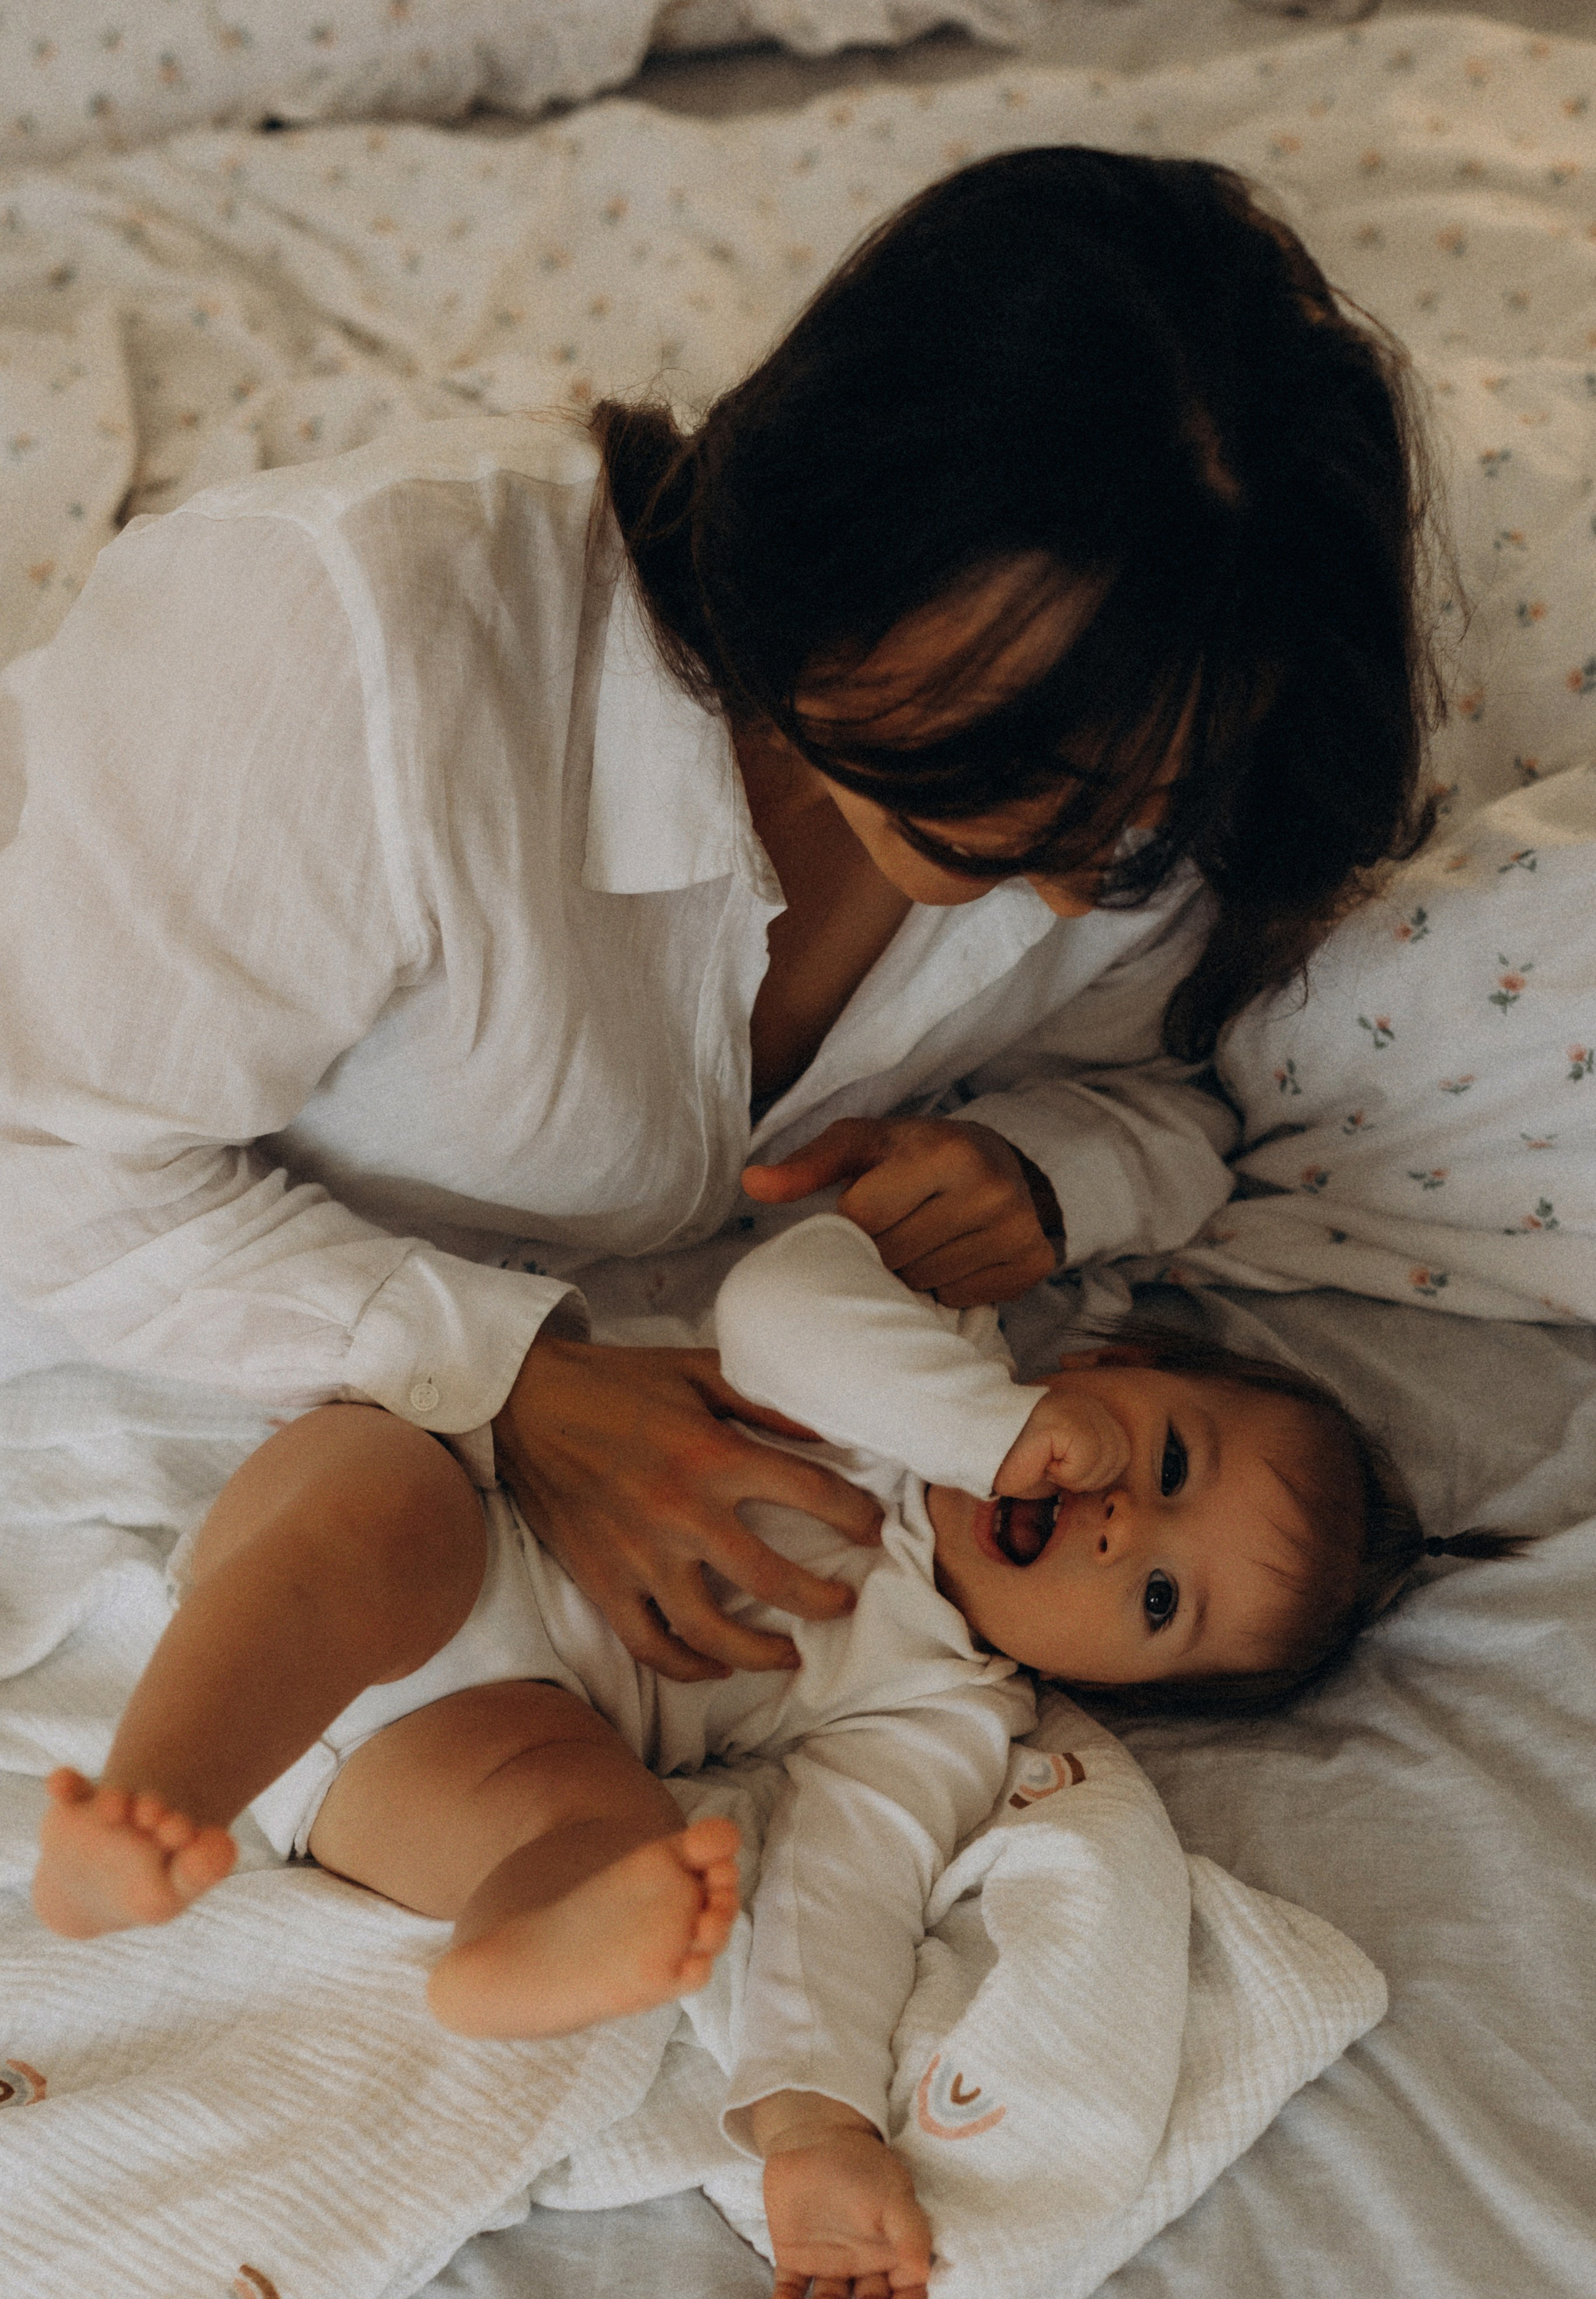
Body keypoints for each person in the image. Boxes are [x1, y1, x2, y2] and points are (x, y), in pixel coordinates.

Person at [0, 146, 1443, 1686]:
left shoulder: (1179, 774)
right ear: (843, 529)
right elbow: (54, 1163)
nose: (1082, 863)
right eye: (1016, 756)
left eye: (1144, 793)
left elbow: (1168, 1083)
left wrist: (1045, 1170)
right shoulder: (351, 660)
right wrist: (508, 1382)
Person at [31, 1215, 1519, 2299]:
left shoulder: (943, 1707)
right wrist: (983, 1425)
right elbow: (779, 1301)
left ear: (1113, 1684)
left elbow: (841, 1884)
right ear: (1104, 1369)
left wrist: (813, 2123)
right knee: (380, 1512)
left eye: (1153, 1602)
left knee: (605, 1821)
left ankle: (516, 1944)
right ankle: (156, 1799)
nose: (1123, 1525)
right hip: (441, 1504)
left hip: (464, 1743)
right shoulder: (915, 1355)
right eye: (1172, 1463)